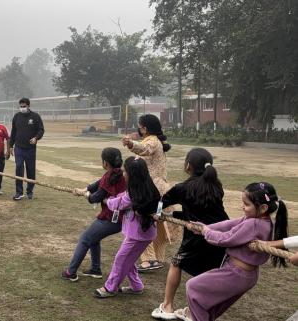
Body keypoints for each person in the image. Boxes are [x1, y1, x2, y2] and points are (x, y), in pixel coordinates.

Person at [175, 182, 288, 321]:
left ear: (263, 207)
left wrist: (206, 231)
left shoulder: (254, 224)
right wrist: (205, 228)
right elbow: (230, 224)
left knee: (193, 287)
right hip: (246, 275)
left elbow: (225, 239)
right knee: (213, 306)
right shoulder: (261, 220)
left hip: (236, 274)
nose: (243, 207)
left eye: (246, 205)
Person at [151, 148, 229, 320]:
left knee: (176, 264)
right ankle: (195, 311)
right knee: (206, 273)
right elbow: (203, 212)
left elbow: (161, 201)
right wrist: (176, 215)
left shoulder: (183, 188)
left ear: (188, 165)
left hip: (195, 237)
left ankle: (167, 306)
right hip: (218, 235)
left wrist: (158, 213)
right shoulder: (216, 186)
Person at [93, 156, 161, 298]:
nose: (123, 174)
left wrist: (107, 200)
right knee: (128, 260)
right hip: (138, 233)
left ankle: (110, 287)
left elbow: (118, 203)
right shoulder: (143, 187)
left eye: (125, 171)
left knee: (121, 259)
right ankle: (137, 286)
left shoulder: (134, 194)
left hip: (139, 235)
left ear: (133, 175)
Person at [122, 114, 180, 271]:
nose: (139, 129)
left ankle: (148, 260)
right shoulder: (156, 140)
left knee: (144, 222)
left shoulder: (152, 141)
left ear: (145, 128)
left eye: (140, 126)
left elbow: (145, 149)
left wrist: (130, 143)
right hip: (160, 191)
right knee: (159, 224)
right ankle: (157, 258)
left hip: (151, 191)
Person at [61, 147, 126, 281]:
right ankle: (95, 269)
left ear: (105, 163)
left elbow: (95, 197)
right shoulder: (119, 173)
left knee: (85, 238)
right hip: (118, 218)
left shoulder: (111, 176)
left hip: (111, 219)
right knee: (93, 239)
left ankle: (70, 272)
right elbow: (98, 184)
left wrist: (86, 195)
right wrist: (83, 189)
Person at [9, 97, 44, 201]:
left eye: (24, 106)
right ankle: (19, 192)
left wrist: (36, 138)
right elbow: (13, 132)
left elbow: (41, 130)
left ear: (28, 106)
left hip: (30, 149)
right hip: (19, 148)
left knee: (30, 170)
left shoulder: (35, 116)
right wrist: (11, 146)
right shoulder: (16, 116)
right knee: (19, 167)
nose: (22, 108)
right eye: (20, 106)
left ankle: (29, 191)